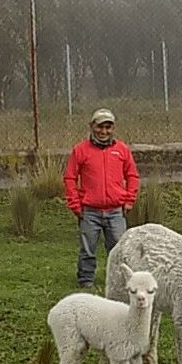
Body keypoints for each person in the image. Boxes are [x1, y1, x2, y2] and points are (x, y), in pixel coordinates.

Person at [63, 108, 139, 288]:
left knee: (119, 250)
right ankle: (86, 280)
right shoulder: (80, 150)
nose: (103, 131)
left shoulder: (122, 150)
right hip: (89, 211)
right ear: (92, 126)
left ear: (113, 128)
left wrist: (129, 200)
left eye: (108, 127)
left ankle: (120, 282)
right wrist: (75, 204)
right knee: (87, 249)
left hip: (116, 211)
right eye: (100, 127)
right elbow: (70, 178)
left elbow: (132, 175)